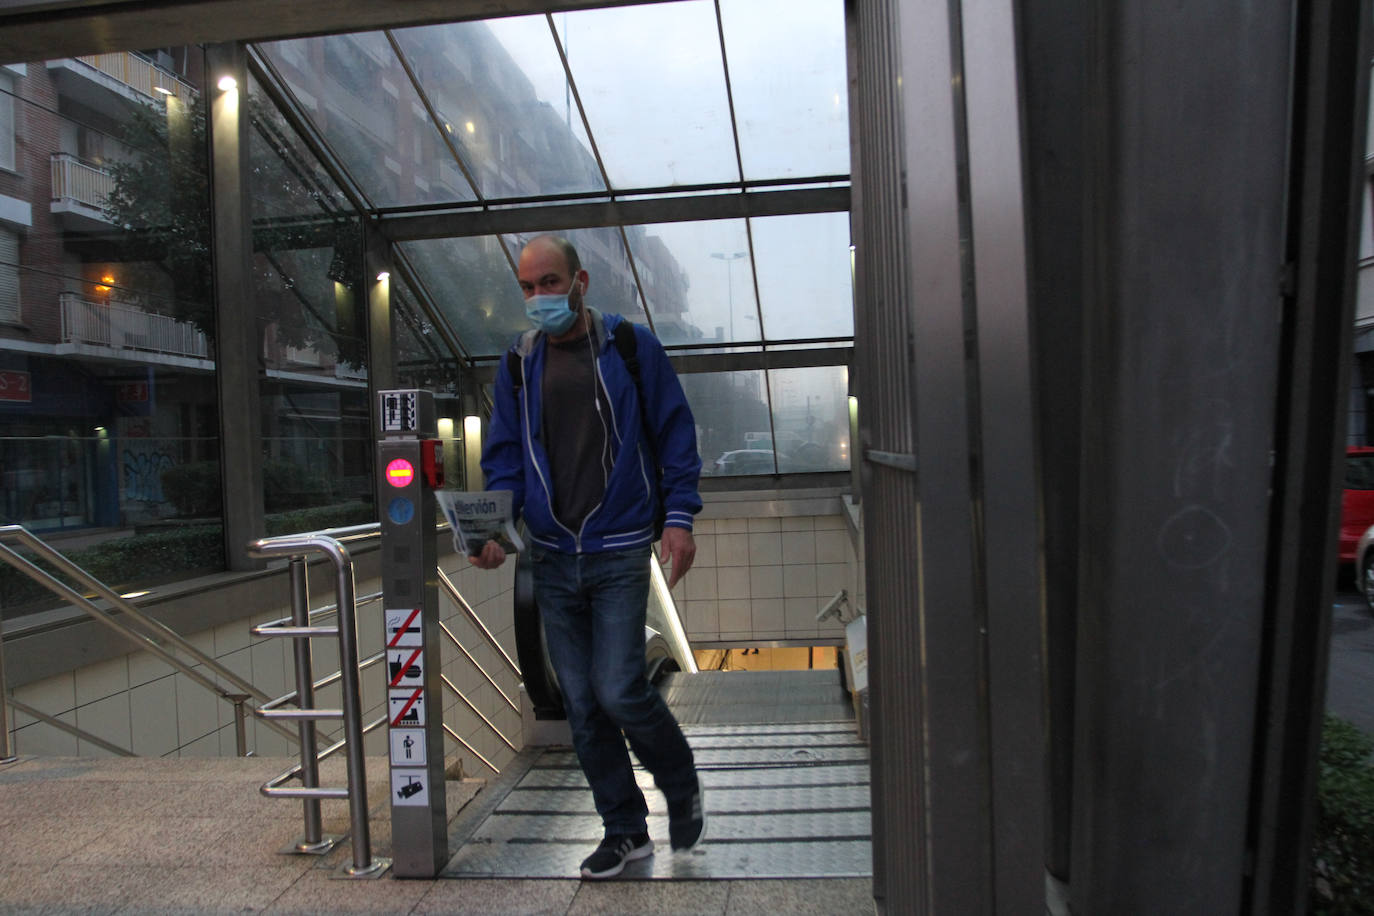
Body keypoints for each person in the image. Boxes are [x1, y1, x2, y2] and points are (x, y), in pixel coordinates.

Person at [471, 234, 706, 879]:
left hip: (620, 548)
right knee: (580, 701)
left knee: (621, 689)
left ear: (581, 281)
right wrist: (494, 528)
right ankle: (626, 830)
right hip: (550, 556)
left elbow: (674, 432)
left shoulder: (630, 348)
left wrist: (679, 517)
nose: (538, 297)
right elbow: (506, 460)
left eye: (550, 282)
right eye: (527, 287)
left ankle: (679, 780)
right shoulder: (518, 364)